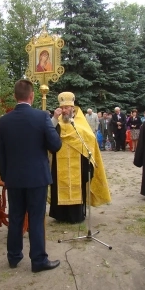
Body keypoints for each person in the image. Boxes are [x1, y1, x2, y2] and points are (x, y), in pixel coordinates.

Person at [0, 79, 62, 273]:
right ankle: (38, 260)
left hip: (14, 178)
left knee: (15, 217)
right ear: (32, 96)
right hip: (37, 178)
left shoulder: (4, 120)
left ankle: (13, 256)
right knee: (35, 218)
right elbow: (56, 145)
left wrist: (5, 176)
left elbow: (0, 153)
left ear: (15, 96)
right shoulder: (41, 117)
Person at [49, 92, 111, 223]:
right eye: (63, 107)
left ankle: (76, 215)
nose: (65, 110)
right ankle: (60, 215)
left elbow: (89, 139)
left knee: (78, 186)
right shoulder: (56, 122)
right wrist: (54, 118)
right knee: (59, 187)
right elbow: (48, 135)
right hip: (59, 163)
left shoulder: (80, 123)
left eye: (67, 107)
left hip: (78, 163)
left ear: (73, 108)